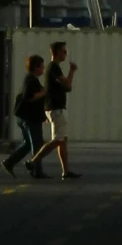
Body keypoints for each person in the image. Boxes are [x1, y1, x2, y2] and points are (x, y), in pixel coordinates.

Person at [31, 41, 79, 179]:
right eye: (63, 51)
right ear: (56, 52)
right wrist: (72, 71)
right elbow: (68, 85)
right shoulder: (54, 67)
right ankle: (33, 161)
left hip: (56, 107)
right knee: (58, 139)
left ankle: (66, 171)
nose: (65, 54)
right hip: (56, 107)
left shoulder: (54, 68)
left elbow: (67, 87)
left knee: (62, 139)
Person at [3, 54, 49, 180]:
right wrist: (44, 92)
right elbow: (30, 97)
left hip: (24, 117)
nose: (43, 69)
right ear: (36, 67)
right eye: (41, 67)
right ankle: (37, 171)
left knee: (28, 144)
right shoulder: (31, 80)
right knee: (37, 145)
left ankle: (9, 162)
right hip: (30, 118)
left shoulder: (30, 79)